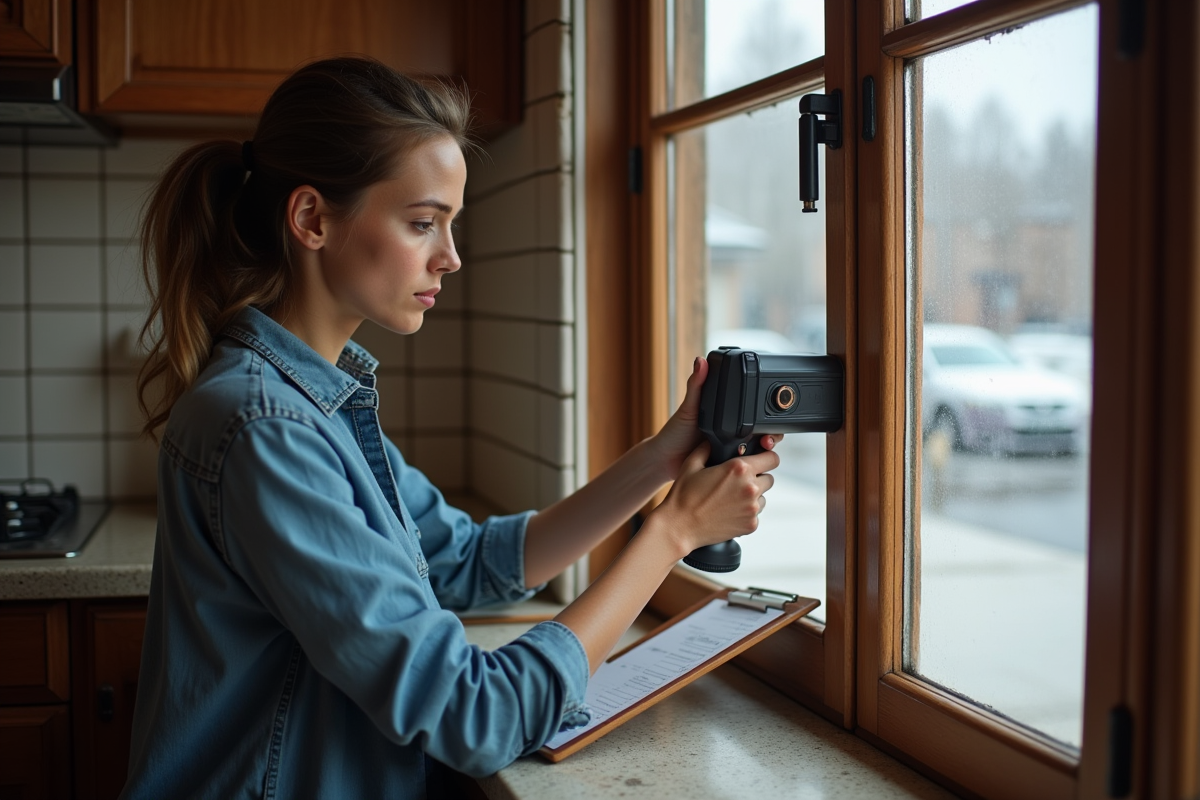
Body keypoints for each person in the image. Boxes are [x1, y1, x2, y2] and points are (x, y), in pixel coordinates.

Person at [122, 56, 781, 800]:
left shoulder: (313, 402)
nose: (451, 257)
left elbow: (471, 561)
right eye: (421, 223)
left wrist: (662, 460)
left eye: (450, 224)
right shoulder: (267, 428)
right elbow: (477, 717)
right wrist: (671, 535)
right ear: (312, 220)